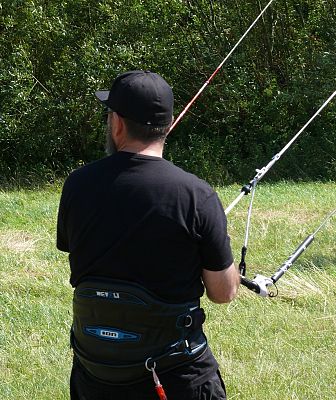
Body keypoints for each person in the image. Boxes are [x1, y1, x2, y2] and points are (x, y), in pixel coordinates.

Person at [57, 70, 240, 400]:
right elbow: (224, 292)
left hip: (94, 374)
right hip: (174, 377)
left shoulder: (76, 185)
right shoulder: (197, 195)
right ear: (168, 124)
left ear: (117, 124)